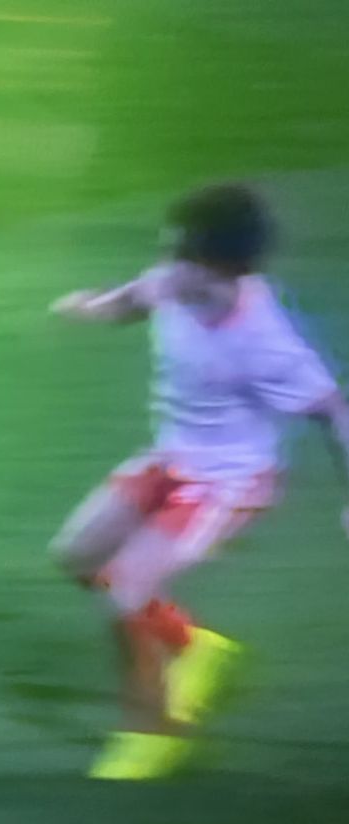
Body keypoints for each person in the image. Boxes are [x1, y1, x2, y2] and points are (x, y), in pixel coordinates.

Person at [48, 183, 349, 780]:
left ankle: (156, 732)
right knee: (77, 555)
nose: (169, 263)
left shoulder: (263, 341)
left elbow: (334, 411)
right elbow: (132, 300)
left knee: (126, 586)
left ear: (223, 267)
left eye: (183, 254)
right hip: (172, 458)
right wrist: (91, 306)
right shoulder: (172, 282)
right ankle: (196, 645)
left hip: (230, 482)